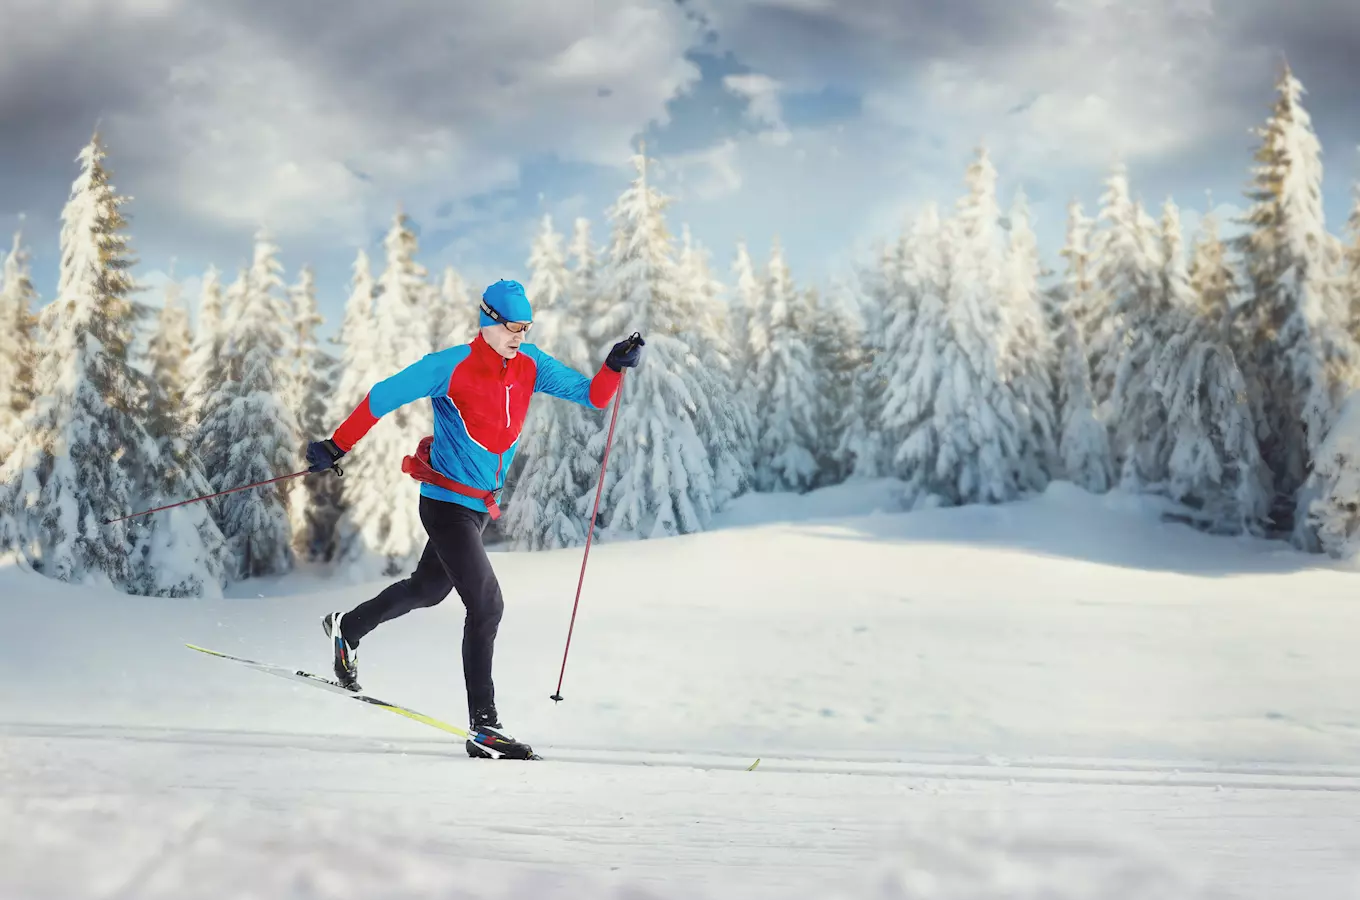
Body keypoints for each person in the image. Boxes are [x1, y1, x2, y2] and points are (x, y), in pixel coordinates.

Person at [305, 278, 644, 760]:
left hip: (476, 509)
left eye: (525, 328)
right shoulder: (451, 366)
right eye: (511, 326)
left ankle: (348, 628)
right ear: (488, 319)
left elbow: (593, 396)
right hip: (444, 504)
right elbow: (382, 395)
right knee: (487, 606)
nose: (518, 336)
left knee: (428, 589)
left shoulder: (530, 366)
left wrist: (612, 366)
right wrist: (337, 445)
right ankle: (484, 727)